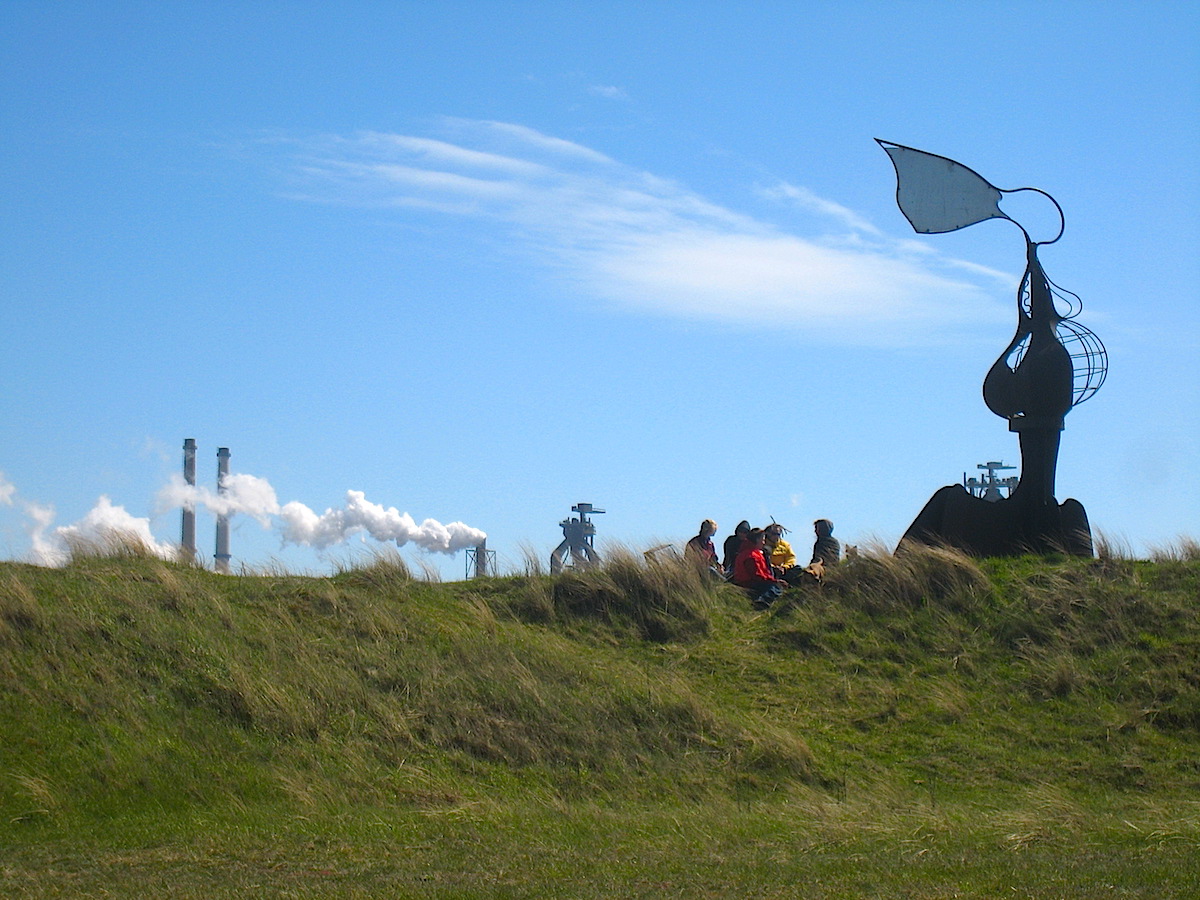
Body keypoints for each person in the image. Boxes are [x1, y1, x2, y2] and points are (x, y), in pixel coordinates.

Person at [732, 528, 788, 609]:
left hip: (750, 581)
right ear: (757, 540)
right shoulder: (751, 555)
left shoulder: (750, 552)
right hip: (748, 584)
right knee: (776, 587)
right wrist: (775, 581)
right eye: (763, 540)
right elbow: (756, 576)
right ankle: (763, 601)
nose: (764, 542)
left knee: (775, 585)